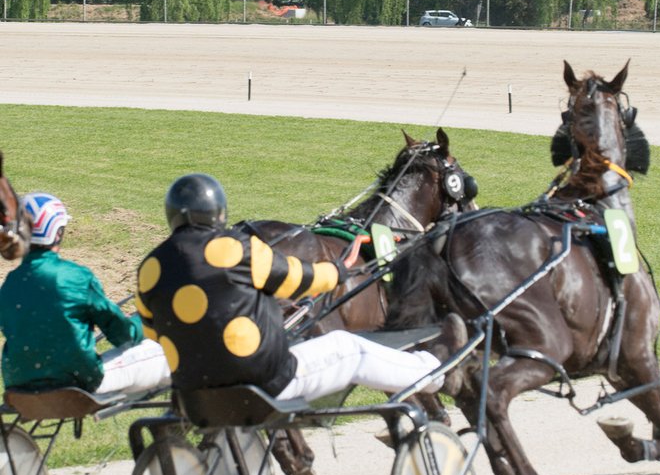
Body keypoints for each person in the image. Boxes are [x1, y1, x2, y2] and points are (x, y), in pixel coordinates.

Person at [135, 173, 465, 404]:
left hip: (193, 391)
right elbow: (298, 280)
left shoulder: (149, 267)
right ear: (218, 213)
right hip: (266, 381)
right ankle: (434, 370)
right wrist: (336, 272)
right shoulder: (236, 248)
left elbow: (156, 337)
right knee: (349, 348)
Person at [0, 192, 170, 397]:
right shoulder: (76, 277)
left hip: (17, 384)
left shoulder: (9, 284)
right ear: (58, 232)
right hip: (79, 381)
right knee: (167, 355)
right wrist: (142, 323)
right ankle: (174, 420)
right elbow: (122, 335)